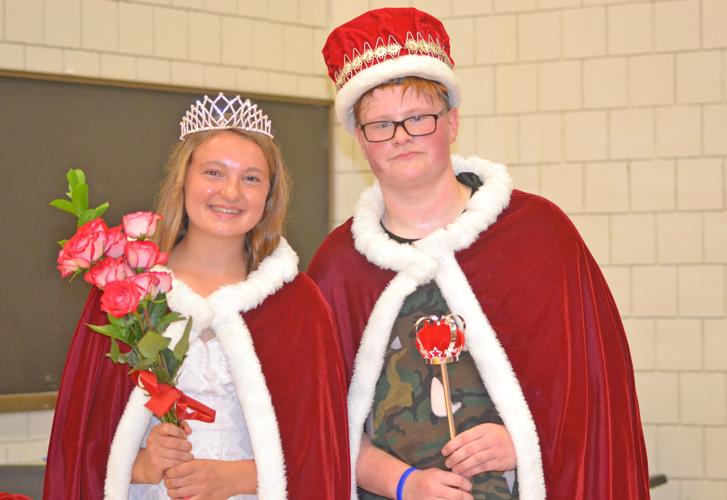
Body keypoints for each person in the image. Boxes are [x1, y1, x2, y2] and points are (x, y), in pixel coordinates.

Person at [308, 7, 650, 500]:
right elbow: (318, 429)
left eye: (417, 118)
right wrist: (404, 483)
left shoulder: (538, 236)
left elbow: (596, 396)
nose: (401, 136)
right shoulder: (339, 267)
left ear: (452, 122)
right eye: (380, 125)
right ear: (360, 141)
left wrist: (523, 442)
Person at [44, 93, 350, 499]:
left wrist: (240, 477)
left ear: (269, 195)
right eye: (213, 173)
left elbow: (322, 452)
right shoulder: (127, 291)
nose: (231, 192)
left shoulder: (297, 305)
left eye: (251, 178)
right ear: (184, 179)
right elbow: (79, 443)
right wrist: (142, 464)